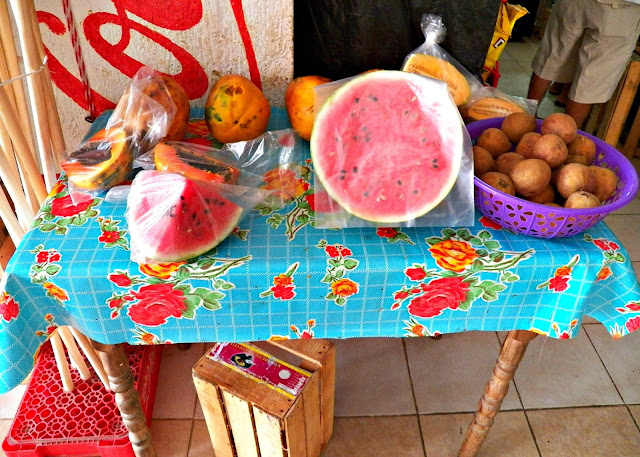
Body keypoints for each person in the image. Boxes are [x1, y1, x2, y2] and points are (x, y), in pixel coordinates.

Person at [527, 0, 640, 128]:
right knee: (591, 78)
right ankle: (565, 134)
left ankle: (526, 120)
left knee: (551, 58)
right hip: (620, 9)